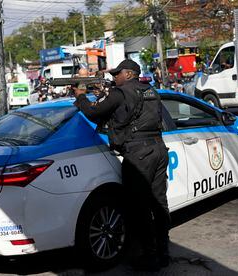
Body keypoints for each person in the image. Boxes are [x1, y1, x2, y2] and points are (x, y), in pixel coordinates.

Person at [73, 60, 171, 271]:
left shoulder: (121, 92)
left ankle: (150, 256)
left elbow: (92, 112)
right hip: (159, 149)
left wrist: (80, 96)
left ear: (128, 74)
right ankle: (164, 252)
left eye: (118, 73)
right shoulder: (150, 90)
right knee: (159, 203)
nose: (114, 77)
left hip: (139, 154)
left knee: (139, 206)